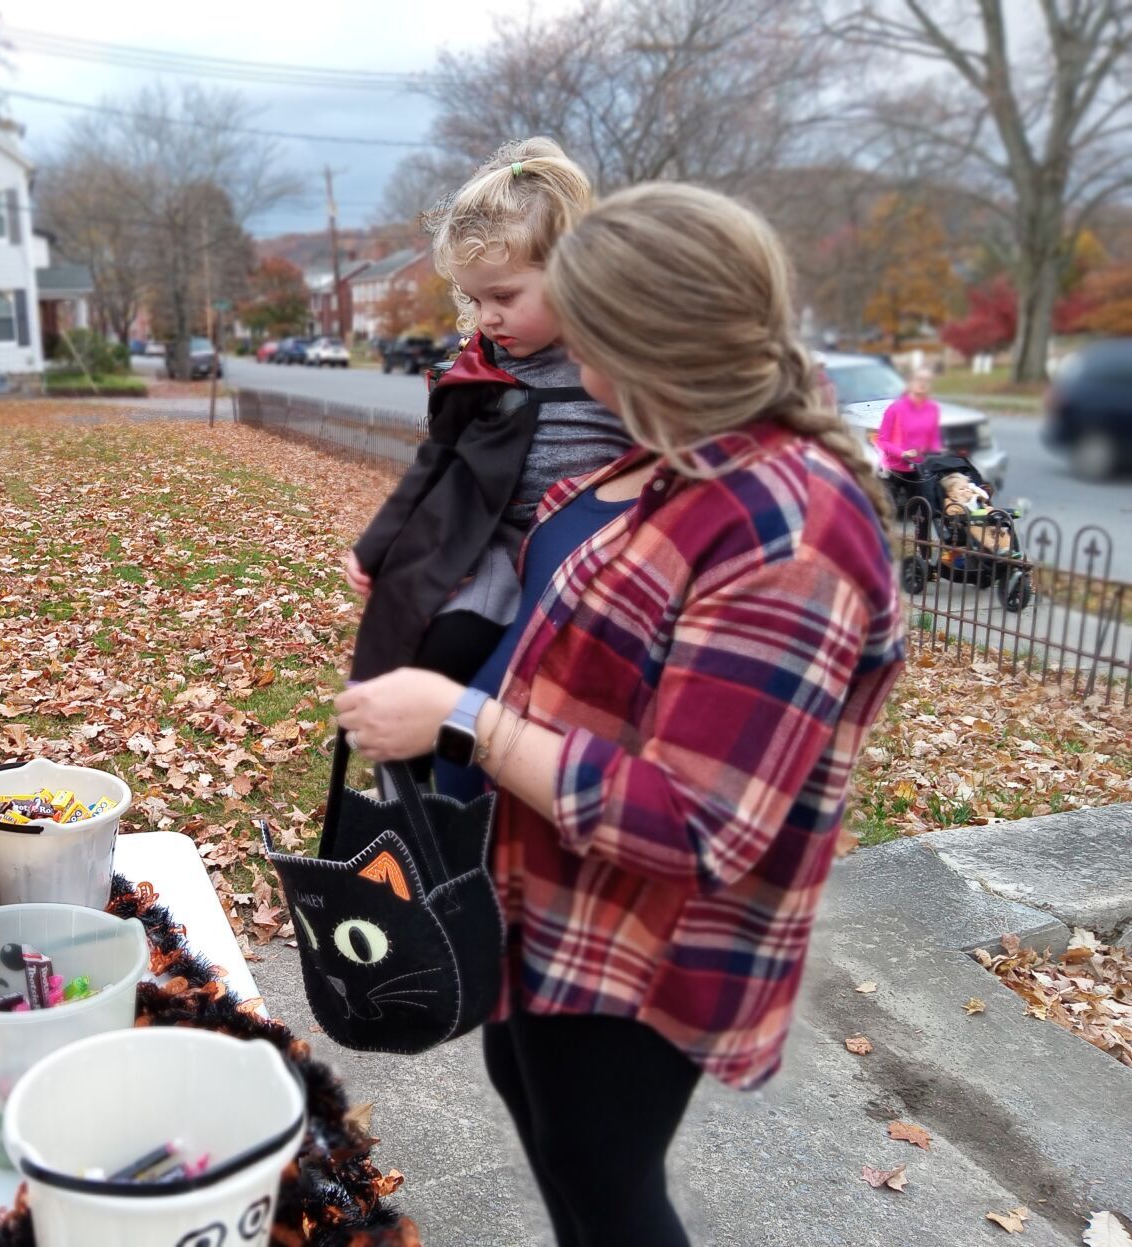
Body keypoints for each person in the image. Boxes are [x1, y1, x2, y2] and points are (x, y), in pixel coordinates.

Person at [336, 183, 906, 1246]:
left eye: (589, 337)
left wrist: (462, 720)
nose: (570, 366)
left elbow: (698, 820)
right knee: (543, 1118)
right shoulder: (668, 453)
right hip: (553, 899)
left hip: (648, 947)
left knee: (607, 1181)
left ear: (651, 342)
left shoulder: (790, 533)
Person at [344, 139, 632, 711]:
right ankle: (420, 789)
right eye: (476, 300)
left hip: (596, 550)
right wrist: (377, 548)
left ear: (576, 272)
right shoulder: (485, 368)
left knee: (568, 685)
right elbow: (438, 460)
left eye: (504, 295)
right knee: (443, 653)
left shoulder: (619, 362)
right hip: (495, 545)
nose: (489, 317)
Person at [875, 366, 942, 474]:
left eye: (927, 381)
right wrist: (903, 453)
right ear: (910, 382)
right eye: (919, 379)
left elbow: (933, 438)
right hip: (897, 470)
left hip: (923, 468)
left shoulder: (933, 408)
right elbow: (882, 441)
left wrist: (937, 450)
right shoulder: (895, 408)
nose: (923, 383)